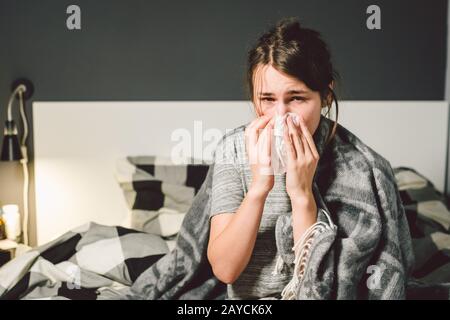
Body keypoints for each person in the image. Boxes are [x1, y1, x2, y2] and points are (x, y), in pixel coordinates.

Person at [206, 17, 414, 300]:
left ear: (325, 96)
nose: (280, 116)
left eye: (297, 98)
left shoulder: (365, 168)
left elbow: (320, 287)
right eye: (267, 99)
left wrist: (301, 194)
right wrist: (259, 187)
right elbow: (225, 270)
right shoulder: (232, 149)